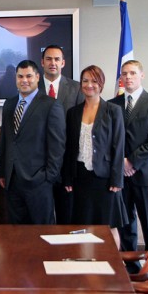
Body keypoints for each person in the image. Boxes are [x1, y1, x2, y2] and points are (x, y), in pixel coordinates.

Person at [109, 60, 148, 272]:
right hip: (120, 176)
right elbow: (108, 140)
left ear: (141, 75)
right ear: (120, 78)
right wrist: (121, 163)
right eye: (124, 74)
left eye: (133, 73)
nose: (128, 77)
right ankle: (132, 269)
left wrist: (132, 161)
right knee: (126, 226)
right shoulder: (112, 104)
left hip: (146, 175)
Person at [62, 65, 127, 249]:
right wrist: (67, 176)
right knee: (83, 226)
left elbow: (118, 146)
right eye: (85, 81)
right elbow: (69, 147)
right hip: (80, 177)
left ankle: (114, 265)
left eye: (93, 81)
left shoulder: (113, 111)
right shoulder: (73, 113)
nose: (89, 85)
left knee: (109, 225)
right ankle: (88, 265)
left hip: (105, 179)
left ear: (101, 84)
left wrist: (117, 178)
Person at [0, 60, 65, 224]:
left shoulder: (51, 105)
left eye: (29, 76)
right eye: (20, 76)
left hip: (39, 182)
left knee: (42, 231)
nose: (24, 80)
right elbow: (6, 140)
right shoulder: (10, 104)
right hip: (12, 181)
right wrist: (2, 172)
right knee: (17, 233)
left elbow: (57, 146)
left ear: (37, 77)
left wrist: (49, 176)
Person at [40, 44, 84, 224]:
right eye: (49, 59)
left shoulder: (77, 88)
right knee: (43, 218)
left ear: (63, 63)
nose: (53, 63)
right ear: (42, 62)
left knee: (67, 217)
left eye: (57, 59)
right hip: (40, 165)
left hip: (68, 164)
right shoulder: (32, 88)